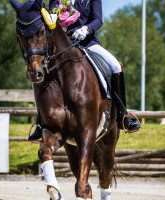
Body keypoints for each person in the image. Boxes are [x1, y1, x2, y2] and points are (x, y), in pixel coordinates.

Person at [28, 0, 140, 141]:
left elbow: (98, 20)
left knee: (115, 66)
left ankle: (123, 115)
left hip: (88, 43)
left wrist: (85, 29)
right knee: (40, 71)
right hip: (61, 47)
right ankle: (40, 121)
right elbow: (51, 20)